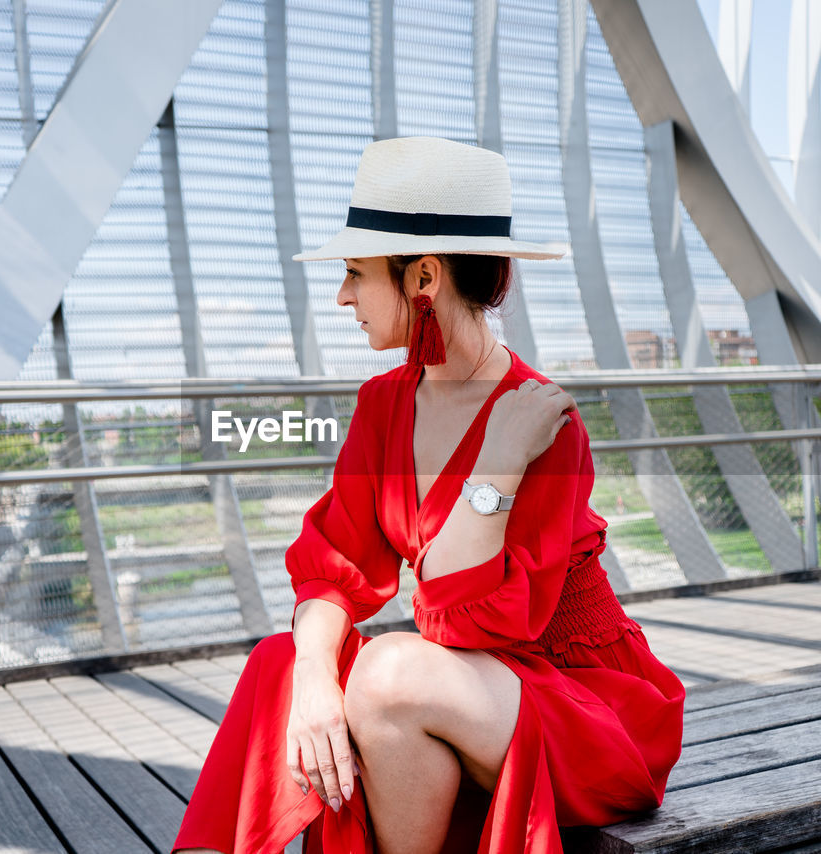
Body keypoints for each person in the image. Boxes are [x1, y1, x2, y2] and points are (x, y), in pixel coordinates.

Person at [171, 136, 685, 854]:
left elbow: (469, 626)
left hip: (583, 703)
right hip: (473, 691)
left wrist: (499, 463)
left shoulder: (540, 423)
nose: (342, 295)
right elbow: (334, 563)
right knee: (283, 666)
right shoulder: (384, 404)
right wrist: (317, 676)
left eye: (355, 272)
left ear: (424, 277)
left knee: (387, 671)